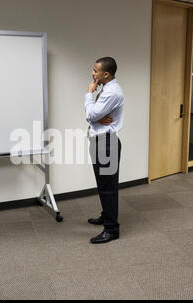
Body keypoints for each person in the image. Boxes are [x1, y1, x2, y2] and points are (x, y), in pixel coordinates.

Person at [84, 57, 124, 244]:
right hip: (101, 142)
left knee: (108, 188)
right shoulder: (107, 89)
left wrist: (89, 94)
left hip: (106, 144)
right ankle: (106, 215)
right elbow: (94, 116)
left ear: (106, 74)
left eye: (95, 70)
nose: (92, 73)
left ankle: (111, 229)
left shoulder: (111, 93)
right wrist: (95, 118)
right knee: (104, 185)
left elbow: (91, 114)